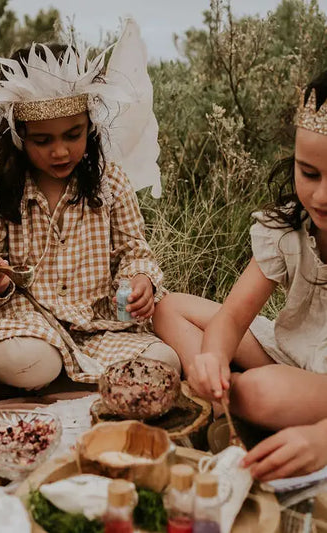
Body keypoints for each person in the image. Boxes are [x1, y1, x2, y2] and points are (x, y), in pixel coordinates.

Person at [0, 20, 179, 390]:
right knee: (35, 363)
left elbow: (134, 251)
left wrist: (140, 280)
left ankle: (57, 380)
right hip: (24, 325)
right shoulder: (0, 189)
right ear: (19, 137)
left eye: (72, 134)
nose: (60, 151)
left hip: (95, 327)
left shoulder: (110, 182)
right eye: (43, 141)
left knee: (164, 361)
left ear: (90, 127)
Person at [153, 70, 327, 481]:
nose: (321, 196)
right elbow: (232, 317)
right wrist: (212, 356)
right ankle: (221, 402)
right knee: (169, 307)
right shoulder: (290, 227)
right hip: (292, 352)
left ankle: (236, 408)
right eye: (309, 174)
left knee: (258, 390)